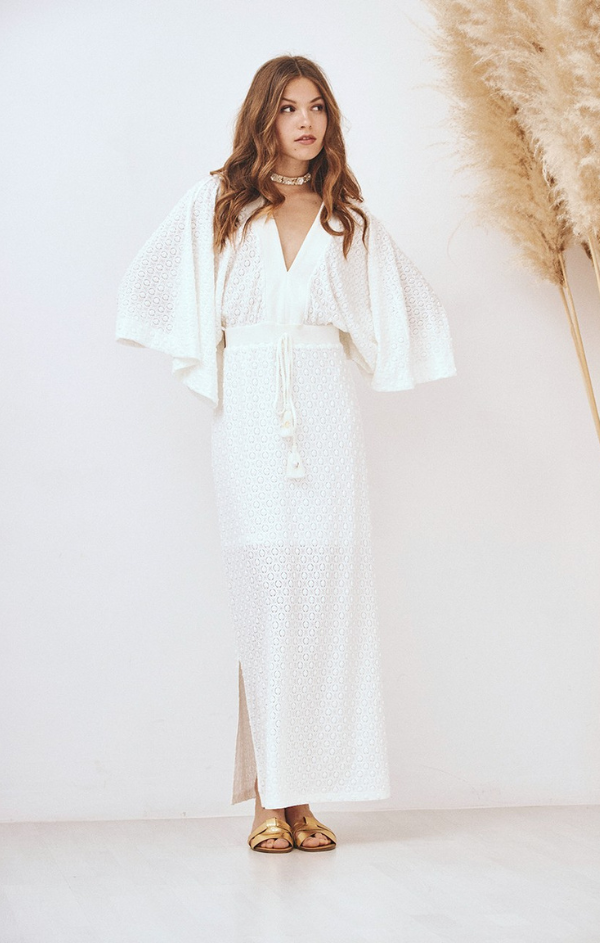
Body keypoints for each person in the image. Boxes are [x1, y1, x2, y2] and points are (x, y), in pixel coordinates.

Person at [116, 54, 457, 853]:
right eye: (289, 107)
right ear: (263, 117)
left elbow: (409, 308)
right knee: (270, 597)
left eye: (318, 107)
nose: (306, 121)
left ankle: (303, 799)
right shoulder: (219, 204)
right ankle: (272, 796)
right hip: (248, 415)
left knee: (325, 598)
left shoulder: (346, 220)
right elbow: (150, 284)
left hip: (326, 414)